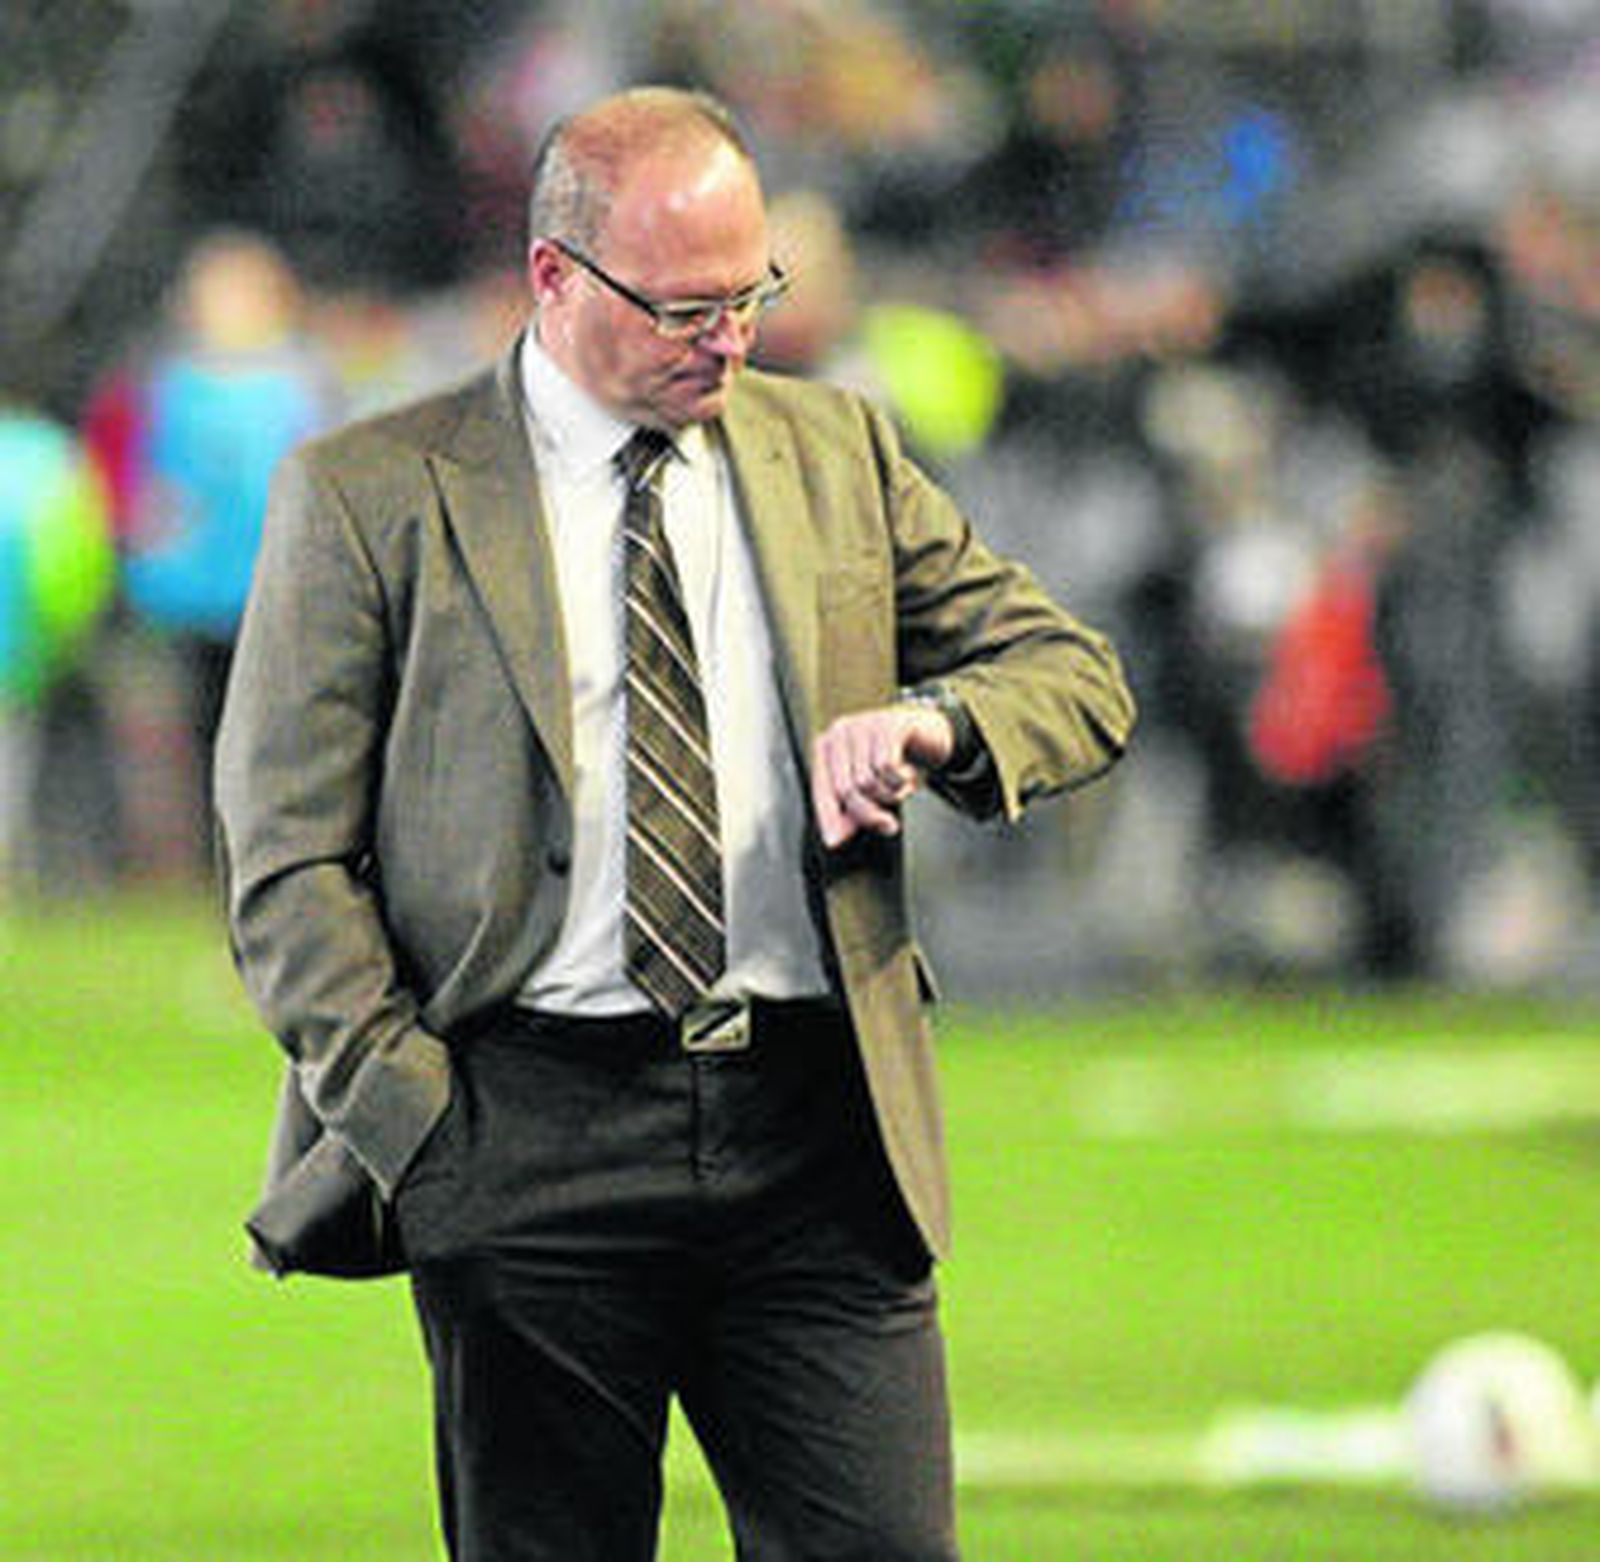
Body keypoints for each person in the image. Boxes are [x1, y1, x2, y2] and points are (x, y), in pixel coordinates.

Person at [215, 86, 1135, 1561]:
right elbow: (285, 860)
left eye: (753, 292)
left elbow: (1074, 675)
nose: (732, 335)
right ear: (554, 278)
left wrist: (939, 723)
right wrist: (420, 1126)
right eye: (686, 306)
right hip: (523, 1132)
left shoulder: (836, 448)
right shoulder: (368, 491)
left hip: (817, 1135)